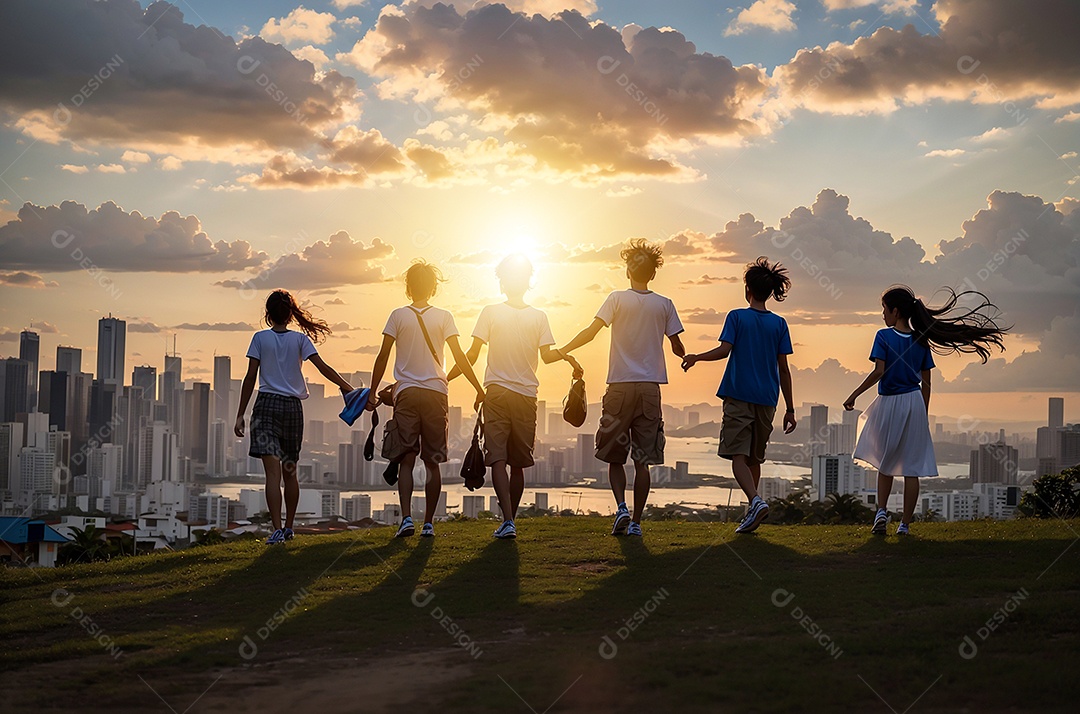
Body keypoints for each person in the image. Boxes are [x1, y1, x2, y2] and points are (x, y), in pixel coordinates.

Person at [844, 285, 1006, 536]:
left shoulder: (883, 336)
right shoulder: (921, 339)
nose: (882, 315)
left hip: (889, 402)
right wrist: (924, 413)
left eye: (884, 309)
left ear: (895, 311)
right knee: (911, 467)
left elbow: (879, 372)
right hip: (914, 403)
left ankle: (881, 512)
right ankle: (904, 525)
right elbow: (926, 382)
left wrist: (854, 394)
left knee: (885, 463)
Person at [449, 255, 583, 539]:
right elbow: (547, 357)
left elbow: (471, 355)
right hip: (526, 396)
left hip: (496, 393)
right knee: (518, 462)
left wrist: (444, 379)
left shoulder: (490, 312)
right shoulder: (539, 316)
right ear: (528, 282)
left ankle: (507, 520)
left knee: (497, 458)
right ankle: (511, 520)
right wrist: (568, 357)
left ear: (502, 281)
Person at [558, 239, 685, 537]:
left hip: (618, 387)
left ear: (628, 270)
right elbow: (677, 345)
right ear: (653, 274)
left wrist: (561, 351)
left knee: (614, 455)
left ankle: (621, 509)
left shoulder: (616, 299)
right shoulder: (665, 304)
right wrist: (688, 357)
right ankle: (637, 524)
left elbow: (590, 334)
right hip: (650, 389)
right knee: (643, 461)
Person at [367, 260, 485, 538]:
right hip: (436, 394)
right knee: (432, 461)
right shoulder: (444, 316)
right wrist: (478, 388)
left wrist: (372, 392)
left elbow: (383, 356)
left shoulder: (397, 315)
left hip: (406, 393)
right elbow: (460, 357)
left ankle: (406, 518)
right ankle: (429, 524)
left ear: (408, 287)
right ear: (433, 287)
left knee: (406, 458)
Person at [682, 257, 796, 534]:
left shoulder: (737, 316)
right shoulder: (779, 324)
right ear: (770, 292)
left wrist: (696, 357)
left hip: (738, 394)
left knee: (737, 455)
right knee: (754, 458)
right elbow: (784, 369)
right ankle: (752, 510)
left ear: (747, 290)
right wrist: (790, 409)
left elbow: (724, 350)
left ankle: (755, 501)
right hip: (768, 399)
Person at [235, 290, 354, 545]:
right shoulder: (300, 341)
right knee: (290, 471)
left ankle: (277, 530)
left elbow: (250, 378)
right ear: (291, 314)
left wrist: (240, 414)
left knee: (272, 476)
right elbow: (323, 368)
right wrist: (347, 387)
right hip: (292, 409)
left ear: (267, 314)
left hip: (265, 406)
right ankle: (289, 527)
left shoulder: (259, 338)